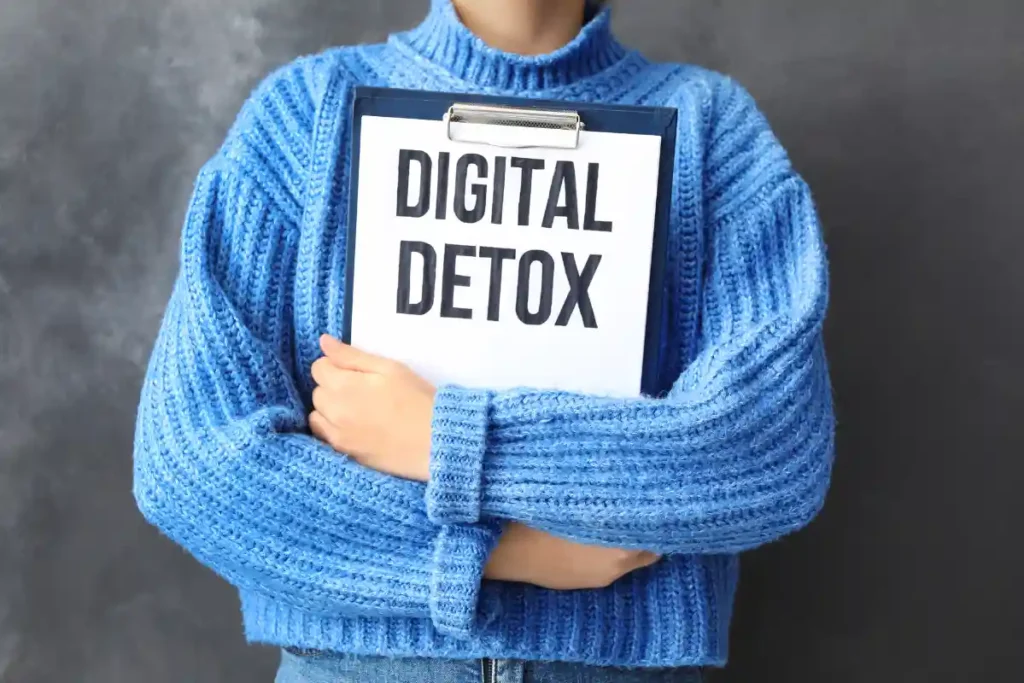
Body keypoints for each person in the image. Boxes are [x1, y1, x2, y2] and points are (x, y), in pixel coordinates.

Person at [132, 0, 836, 681]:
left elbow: (771, 447)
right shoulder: (303, 114)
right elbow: (194, 461)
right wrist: (494, 553)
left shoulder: (711, 129)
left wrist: (441, 434)